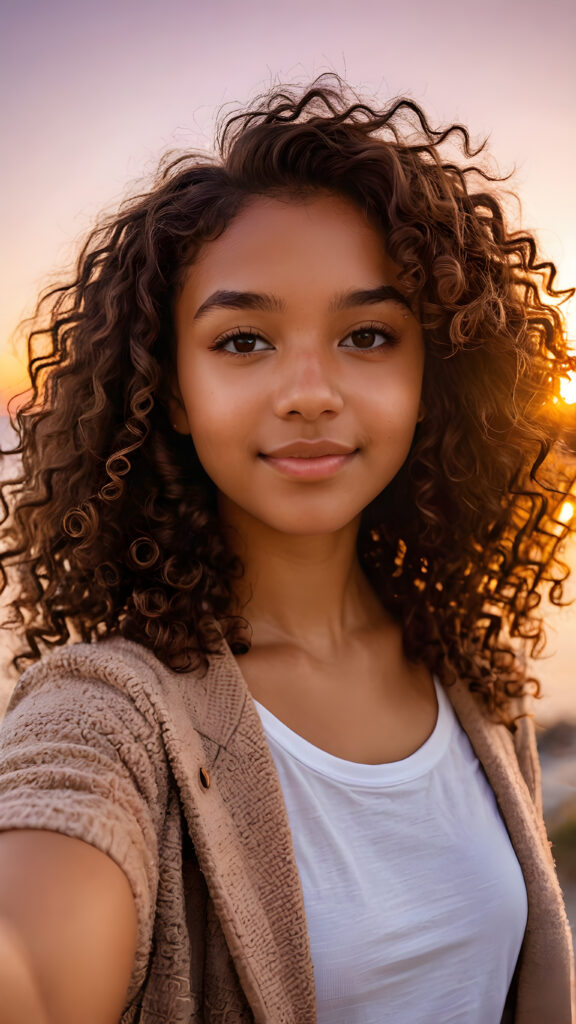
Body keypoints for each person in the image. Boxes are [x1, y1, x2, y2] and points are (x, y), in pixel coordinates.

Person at [0, 73, 574, 1024]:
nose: (310, 390)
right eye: (243, 341)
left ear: (433, 375)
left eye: (366, 334)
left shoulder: (474, 678)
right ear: (169, 389)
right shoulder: (108, 716)